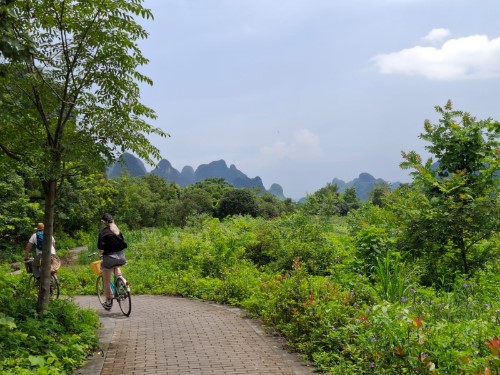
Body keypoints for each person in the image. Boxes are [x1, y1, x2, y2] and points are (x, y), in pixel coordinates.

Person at [97, 213, 128, 311]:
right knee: (116, 266)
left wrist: (103, 253)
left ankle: (108, 302)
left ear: (103, 222)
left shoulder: (103, 232)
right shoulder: (117, 230)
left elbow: (100, 246)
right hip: (121, 257)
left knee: (106, 281)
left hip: (109, 258)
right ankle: (122, 281)